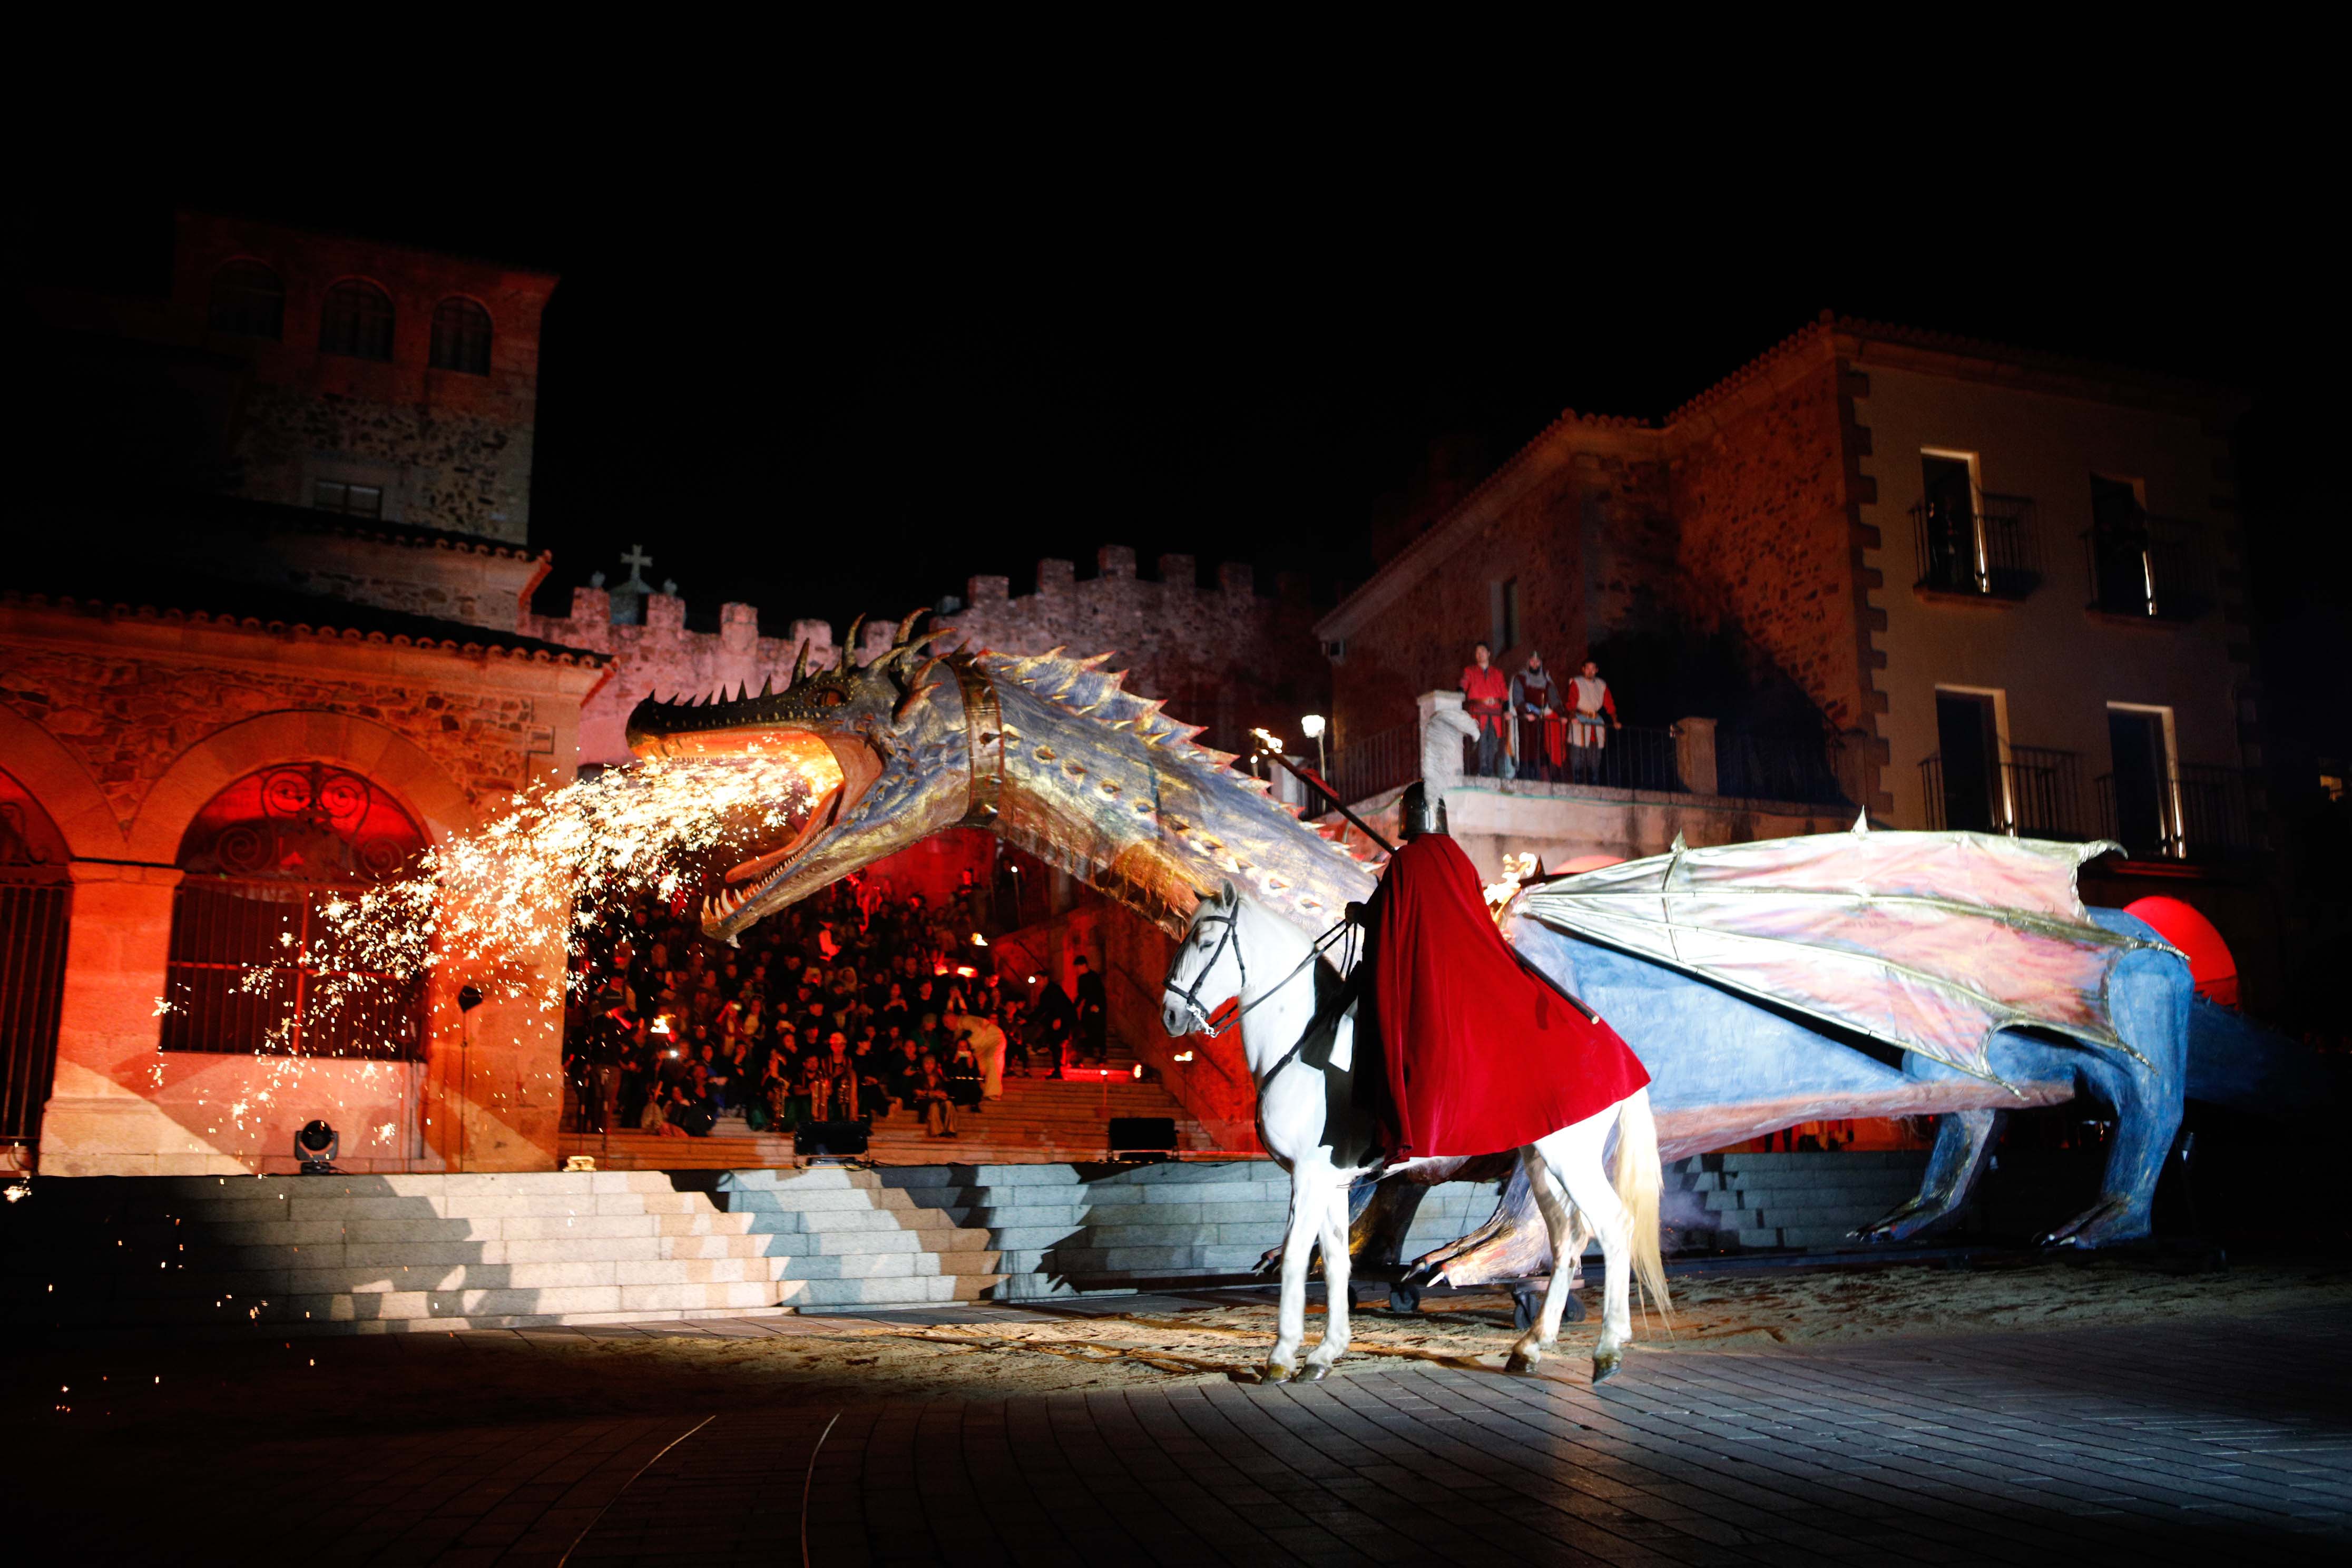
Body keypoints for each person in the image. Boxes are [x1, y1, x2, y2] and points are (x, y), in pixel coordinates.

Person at [1509, 650, 1563, 785]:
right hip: (1525, 719)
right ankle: (1525, 776)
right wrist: (1527, 712)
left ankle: (1540, 776)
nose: (1535, 664)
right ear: (1528, 663)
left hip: (1540, 719)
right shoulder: (1520, 678)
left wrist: (1562, 715)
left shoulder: (1546, 680)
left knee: (1541, 748)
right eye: (1532, 661)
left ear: (1541, 663)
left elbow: (1554, 700)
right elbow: (1518, 700)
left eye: (1537, 661)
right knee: (1526, 747)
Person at [1459, 641, 1510, 778]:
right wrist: (1458, 693)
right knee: (1481, 740)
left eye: (1482, 651)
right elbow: (1463, 685)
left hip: (1495, 714)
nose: (1480, 654)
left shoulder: (1497, 673)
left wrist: (1506, 711)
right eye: (1477, 652)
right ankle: (1483, 769)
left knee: (1494, 741)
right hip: (1479, 712)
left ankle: (1492, 769)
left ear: (1488, 654)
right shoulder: (1470, 672)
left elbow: (1504, 694)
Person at [1566, 658, 1619, 784]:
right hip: (1580, 719)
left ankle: (1595, 781)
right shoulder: (1577, 683)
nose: (1590, 671)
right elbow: (1571, 701)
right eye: (1588, 669)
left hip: (1596, 721)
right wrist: (1573, 716)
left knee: (1595, 754)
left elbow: (1609, 704)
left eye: (1593, 669)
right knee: (1578, 751)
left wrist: (1615, 720)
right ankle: (1577, 781)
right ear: (1583, 670)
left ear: (1596, 670)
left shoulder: (1602, 685)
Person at [1072, 955, 1107, 1065]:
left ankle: (1103, 1054)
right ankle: (1089, 1048)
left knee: (1099, 1029)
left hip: (1098, 1005)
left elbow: (1100, 993)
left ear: (1084, 965)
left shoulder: (1094, 977)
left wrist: (1097, 1006)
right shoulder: (1081, 979)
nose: (1077, 970)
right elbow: (1081, 994)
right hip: (1088, 1005)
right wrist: (1074, 1006)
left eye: (1078, 967)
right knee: (1085, 1024)